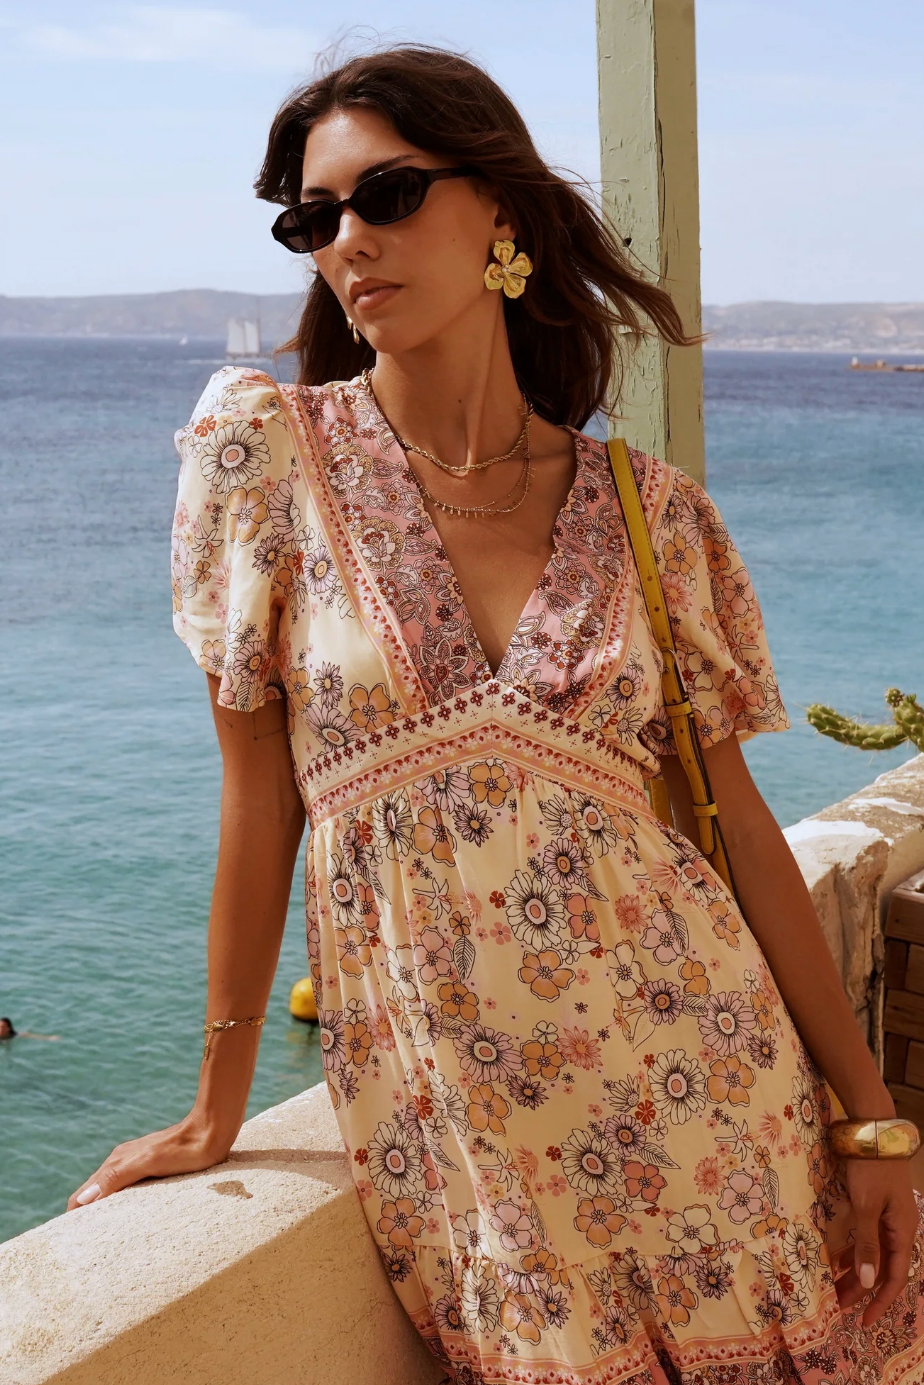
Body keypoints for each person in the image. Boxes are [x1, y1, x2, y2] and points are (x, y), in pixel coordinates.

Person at [68, 45, 924, 1384]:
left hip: (717, 1088)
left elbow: (741, 832)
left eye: (389, 194)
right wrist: (213, 1107)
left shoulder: (654, 514)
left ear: (502, 213)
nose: (349, 241)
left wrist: (870, 1119)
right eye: (313, 218)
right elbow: (260, 798)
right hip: (470, 1140)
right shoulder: (265, 460)